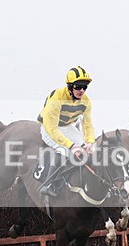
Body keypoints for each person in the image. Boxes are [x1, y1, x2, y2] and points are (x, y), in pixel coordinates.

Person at [37, 66, 96, 196]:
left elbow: (88, 124)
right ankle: (48, 184)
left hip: (68, 127)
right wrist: (71, 145)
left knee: (89, 151)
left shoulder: (86, 101)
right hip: (49, 128)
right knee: (64, 150)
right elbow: (52, 129)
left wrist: (90, 142)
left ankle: (90, 183)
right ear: (69, 86)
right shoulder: (57, 97)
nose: (81, 90)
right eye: (78, 86)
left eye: (84, 87)